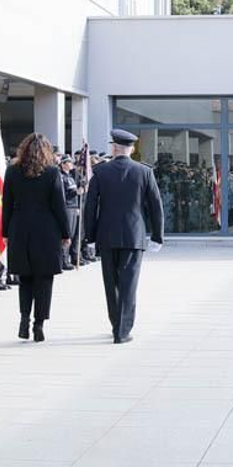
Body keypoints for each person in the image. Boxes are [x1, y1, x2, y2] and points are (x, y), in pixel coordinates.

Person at [83, 129, 164, 344]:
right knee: (129, 284)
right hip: (133, 236)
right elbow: (156, 206)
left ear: (114, 147)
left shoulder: (101, 172)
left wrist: (89, 237)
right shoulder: (144, 172)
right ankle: (123, 330)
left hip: (106, 235)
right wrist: (157, 236)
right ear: (133, 149)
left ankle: (115, 324)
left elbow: (90, 206)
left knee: (111, 283)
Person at [3, 133, 69, 342]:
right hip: (46, 231)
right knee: (44, 279)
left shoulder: (12, 171)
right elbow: (59, 205)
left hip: (20, 229)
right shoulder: (51, 173)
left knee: (25, 279)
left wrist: (5, 232)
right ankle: (39, 323)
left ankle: (24, 319)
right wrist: (66, 233)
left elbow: (7, 205)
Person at [59, 154, 82, 270]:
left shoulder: (71, 177)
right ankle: (63, 259)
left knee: (72, 233)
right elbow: (64, 194)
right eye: (68, 162)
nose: (71, 164)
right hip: (67, 207)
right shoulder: (61, 177)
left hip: (73, 207)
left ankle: (67, 258)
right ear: (63, 164)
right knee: (67, 234)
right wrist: (76, 192)